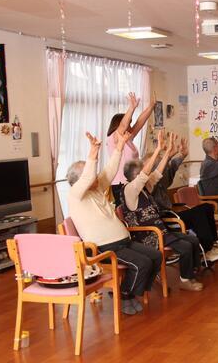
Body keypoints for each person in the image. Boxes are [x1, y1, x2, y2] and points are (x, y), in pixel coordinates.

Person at [67, 131, 162, 315]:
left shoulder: (96, 189)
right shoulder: (75, 196)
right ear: (79, 180)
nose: (95, 175)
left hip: (123, 242)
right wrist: (93, 152)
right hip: (104, 248)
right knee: (142, 264)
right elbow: (87, 177)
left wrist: (119, 146)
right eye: (90, 172)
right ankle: (125, 294)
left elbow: (110, 170)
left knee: (155, 257)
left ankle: (129, 292)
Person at [121, 132, 203, 292]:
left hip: (161, 232)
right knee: (185, 246)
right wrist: (158, 149)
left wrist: (168, 151)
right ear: (135, 176)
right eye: (143, 172)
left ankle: (191, 274)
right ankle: (185, 280)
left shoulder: (145, 187)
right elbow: (147, 174)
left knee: (192, 240)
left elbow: (158, 172)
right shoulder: (130, 190)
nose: (147, 173)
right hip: (148, 237)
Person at [148, 135, 218, 262]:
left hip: (172, 214)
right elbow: (163, 169)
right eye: (160, 163)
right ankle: (206, 251)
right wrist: (168, 154)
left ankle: (212, 244)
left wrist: (181, 154)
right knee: (198, 213)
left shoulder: (161, 181)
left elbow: (171, 168)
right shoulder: (149, 184)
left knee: (207, 207)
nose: (164, 166)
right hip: (165, 221)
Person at [106, 92, 155, 202]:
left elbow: (140, 122)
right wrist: (131, 107)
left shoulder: (127, 138)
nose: (130, 125)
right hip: (121, 183)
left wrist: (151, 106)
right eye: (128, 123)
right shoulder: (113, 138)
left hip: (134, 181)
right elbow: (123, 125)